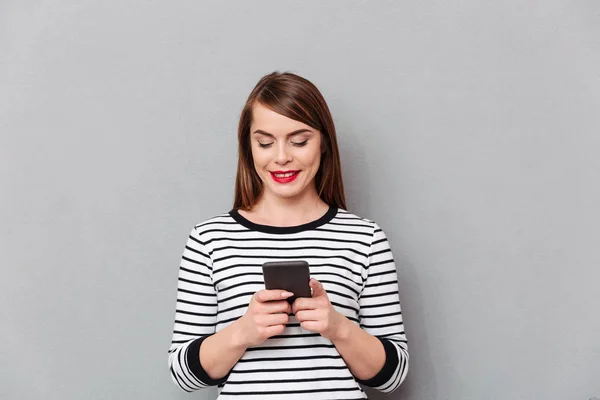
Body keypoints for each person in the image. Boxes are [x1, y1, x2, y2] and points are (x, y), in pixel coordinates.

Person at [167, 71, 409, 399]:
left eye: (299, 140)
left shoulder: (365, 239)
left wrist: (337, 327)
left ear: (323, 144)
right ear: (248, 148)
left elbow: (393, 377)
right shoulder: (210, 239)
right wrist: (243, 332)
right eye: (265, 142)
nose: (282, 156)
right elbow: (182, 374)